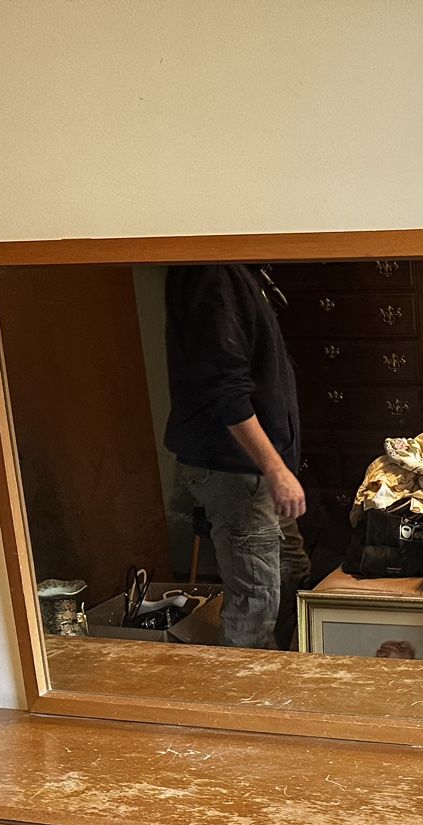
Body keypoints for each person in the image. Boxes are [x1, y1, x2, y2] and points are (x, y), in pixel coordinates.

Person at [160, 264, 309, 649]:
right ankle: (249, 699)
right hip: (236, 471)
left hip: (255, 471)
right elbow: (224, 390)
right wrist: (275, 468)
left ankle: (281, 674)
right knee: (254, 604)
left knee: (292, 570)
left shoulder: (240, 271)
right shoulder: (212, 273)